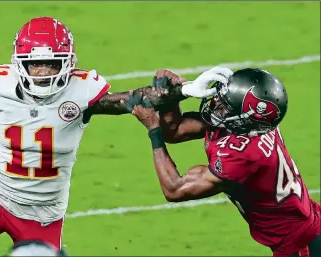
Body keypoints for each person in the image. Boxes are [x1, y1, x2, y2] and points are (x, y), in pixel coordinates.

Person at [0, 16, 215, 256]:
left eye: (51, 63)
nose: (42, 72)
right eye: (35, 63)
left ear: (68, 62)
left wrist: (185, 90)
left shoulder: (82, 92)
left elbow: (135, 99)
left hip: (43, 215)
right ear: (19, 63)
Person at [130, 67, 321, 257]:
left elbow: (174, 189)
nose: (216, 104)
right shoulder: (245, 123)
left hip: (300, 243)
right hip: (305, 223)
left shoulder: (244, 154)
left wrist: (153, 131)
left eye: (225, 105)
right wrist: (172, 96)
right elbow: (175, 130)